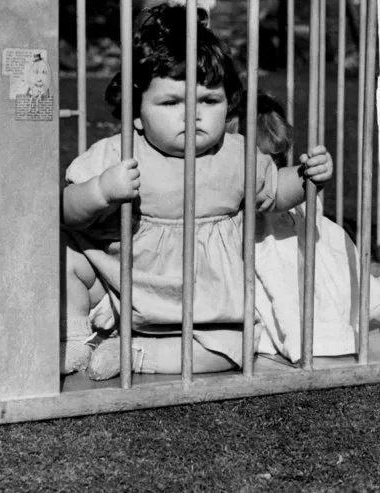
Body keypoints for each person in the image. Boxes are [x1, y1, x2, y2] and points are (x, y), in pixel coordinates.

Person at [60, 4, 333, 380]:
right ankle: (74, 336)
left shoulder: (237, 153)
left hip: (202, 300)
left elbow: (272, 192)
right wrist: (100, 191)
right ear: (136, 111)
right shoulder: (119, 151)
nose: (193, 114)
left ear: (229, 102)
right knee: (65, 255)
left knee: (234, 347)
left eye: (209, 100)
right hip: (121, 283)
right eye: (171, 102)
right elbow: (68, 210)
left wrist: (305, 178)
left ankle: (138, 354)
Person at [227, 91, 380, 363]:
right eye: (260, 160)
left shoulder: (289, 197)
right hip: (261, 247)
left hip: (300, 240)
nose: (269, 171)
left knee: (328, 241)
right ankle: (319, 332)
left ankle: (351, 306)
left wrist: (314, 175)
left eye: (275, 161)